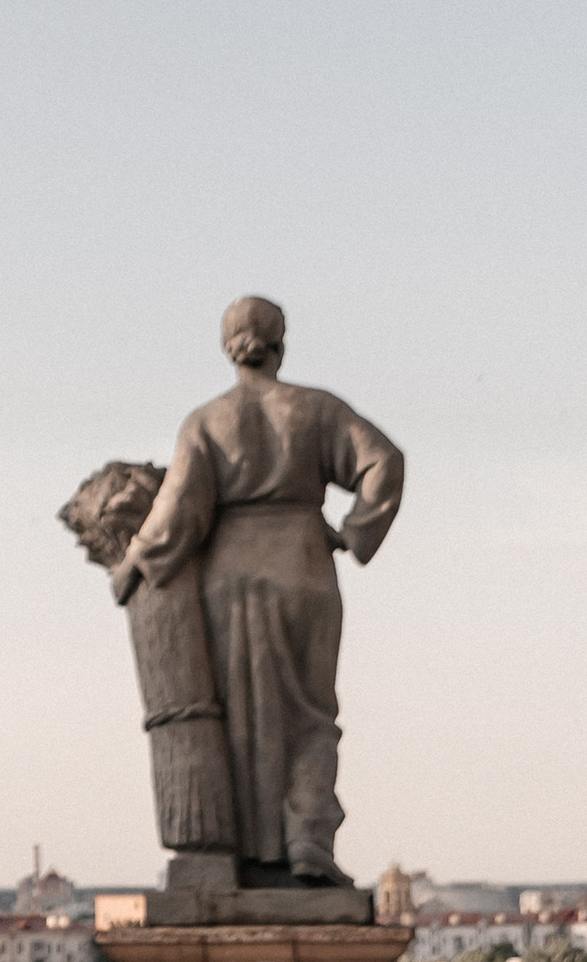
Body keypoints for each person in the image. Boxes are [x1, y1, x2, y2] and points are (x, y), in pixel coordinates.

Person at [111, 294, 404, 883]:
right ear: (281, 344)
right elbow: (384, 462)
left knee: (241, 716)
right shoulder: (317, 408)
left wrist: (134, 561)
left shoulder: (207, 420)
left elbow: (179, 510)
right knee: (311, 713)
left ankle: (249, 850)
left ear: (229, 348)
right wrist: (353, 532)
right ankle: (308, 835)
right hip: (304, 565)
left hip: (231, 574)